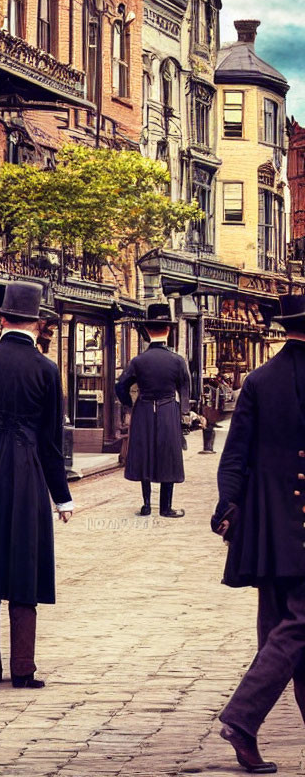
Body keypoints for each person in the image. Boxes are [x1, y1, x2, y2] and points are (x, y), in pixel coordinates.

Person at [0, 281, 73, 689]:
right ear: (38, 323)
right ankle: (23, 669)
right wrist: (62, 496)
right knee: (24, 567)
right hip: (25, 471)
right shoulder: (46, 369)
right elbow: (52, 440)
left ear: (0, 319)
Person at [212, 293, 305, 774]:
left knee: (279, 633)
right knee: (299, 625)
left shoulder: (258, 379)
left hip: (269, 526)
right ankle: (243, 719)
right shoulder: (263, 379)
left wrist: (228, 506)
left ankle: (246, 736)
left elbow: (235, 456)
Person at [115, 303, 190, 518]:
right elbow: (185, 387)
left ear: (147, 331)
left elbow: (120, 385)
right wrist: (184, 412)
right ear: (169, 329)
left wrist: (130, 404)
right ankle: (166, 507)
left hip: (144, 409)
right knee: (168, 454)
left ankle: (147, 505)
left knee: (144, 453)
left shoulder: (138, 361)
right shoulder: (177, 360)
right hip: (168, 409)